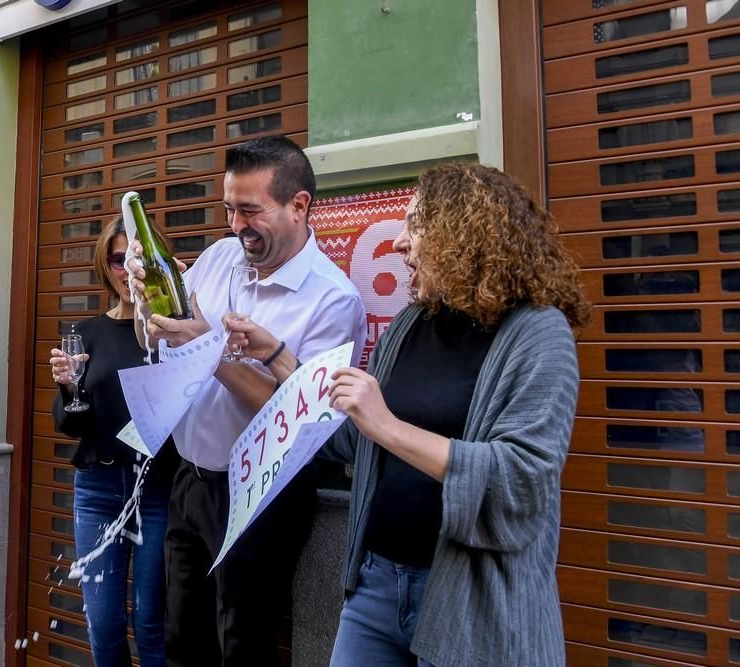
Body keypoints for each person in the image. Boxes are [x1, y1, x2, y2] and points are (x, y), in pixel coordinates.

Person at [226, 163, 591, 666]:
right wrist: (277, 357)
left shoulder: (537, 334)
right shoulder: (409, 324)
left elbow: (522, 479)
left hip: (469, 597)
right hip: (376, 584)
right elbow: (353, 433)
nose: (398, 243)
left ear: (464, 234)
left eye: (416, 227)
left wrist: (389, 427)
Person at [127, 135, 367, 666]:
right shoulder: (217, 257)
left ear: (299, 205)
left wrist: (211, 352)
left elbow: (306, 417)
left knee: (243, 645)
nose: (237, 226)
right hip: (191, 478)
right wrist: (147, 310)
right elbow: (160, 338)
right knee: (182, 641)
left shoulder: (333, 298)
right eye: (229, 209)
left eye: (250, 211)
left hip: (261, 496)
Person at [49, 217, 179, 667]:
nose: (127, 269)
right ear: (106, 266)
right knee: (103, 628)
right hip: (99, 492)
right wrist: (69, 390)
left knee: (150, 624)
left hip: (158, 492)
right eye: (118, 259)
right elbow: (72, 424)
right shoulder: (87, 333)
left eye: (137, 259)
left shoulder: (174, 333)